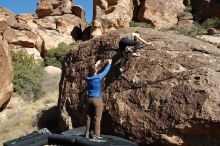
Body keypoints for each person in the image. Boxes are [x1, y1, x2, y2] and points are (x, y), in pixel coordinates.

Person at [85, 59, 112, 139]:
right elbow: (106, 71)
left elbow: (91, 71)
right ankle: (96, 135)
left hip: (89, 99)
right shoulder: (98, 77)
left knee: (88, 117)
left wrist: (96, 64)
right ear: (95, 70)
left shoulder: (87, 77)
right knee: (97, 118)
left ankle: (87, 133)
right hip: (97, 100)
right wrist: (109, 63)